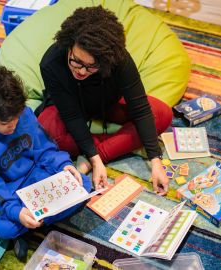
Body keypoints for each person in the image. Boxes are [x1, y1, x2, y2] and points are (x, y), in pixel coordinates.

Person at [0, 66, 91, 260]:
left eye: (16, 119)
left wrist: (62, 165)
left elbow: (45, 148)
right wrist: (16, 212)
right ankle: (29, 224)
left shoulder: (22, 114)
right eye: (4, 124)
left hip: (37, 174)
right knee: (4, 228)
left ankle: (30, 227)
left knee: (83, 184)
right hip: (11, 192)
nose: (13, 126)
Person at [36, 6, 173, 195]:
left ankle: (93, 151)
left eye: (92, 66)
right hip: (69, 106)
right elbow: (71, 115)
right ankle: (100, 148)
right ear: (69, 45)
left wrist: (155, 161)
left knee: (162, 114)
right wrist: (95, 159)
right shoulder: (51, 62)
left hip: (108, 104)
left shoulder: (119, 59)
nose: (82, 71)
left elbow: (140, 108)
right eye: (76, 61)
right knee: (45, 132)